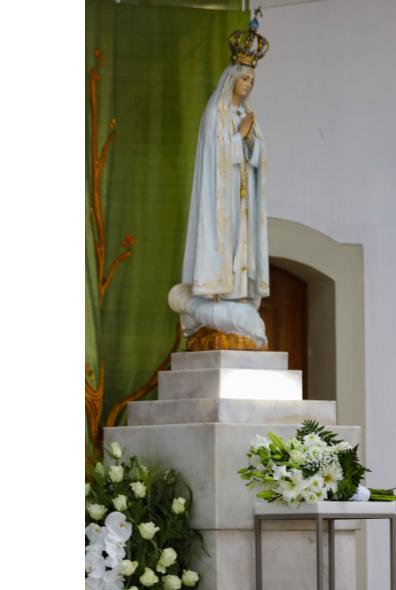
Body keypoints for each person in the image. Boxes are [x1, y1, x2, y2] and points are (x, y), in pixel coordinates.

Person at [175, 24, 270, 349]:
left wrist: (249, 143)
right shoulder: (215, 114)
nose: (249, 85)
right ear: (232, 77)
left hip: (242, 199)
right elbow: (214, 158)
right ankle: (217, 293)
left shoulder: (247, 113)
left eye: (253, 81)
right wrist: (237, 137)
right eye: (245, 78)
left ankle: (237, 294)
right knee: (224, 241)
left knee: (241, 244)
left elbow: (258, 156)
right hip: (221, 198)